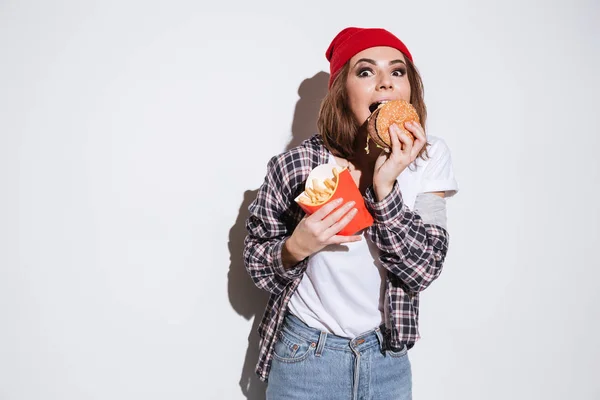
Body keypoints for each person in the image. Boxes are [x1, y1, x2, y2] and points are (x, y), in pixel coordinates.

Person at [243, 26, 459, 400]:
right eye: (365, 71)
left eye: (397, 71)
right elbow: (255, 263)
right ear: (342, 90)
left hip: (386, 360)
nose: (385, 84)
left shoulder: (428, 157)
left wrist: (385, 187)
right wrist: (295, 247)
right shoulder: (297, 165)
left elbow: (424, 268)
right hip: (305, 357)